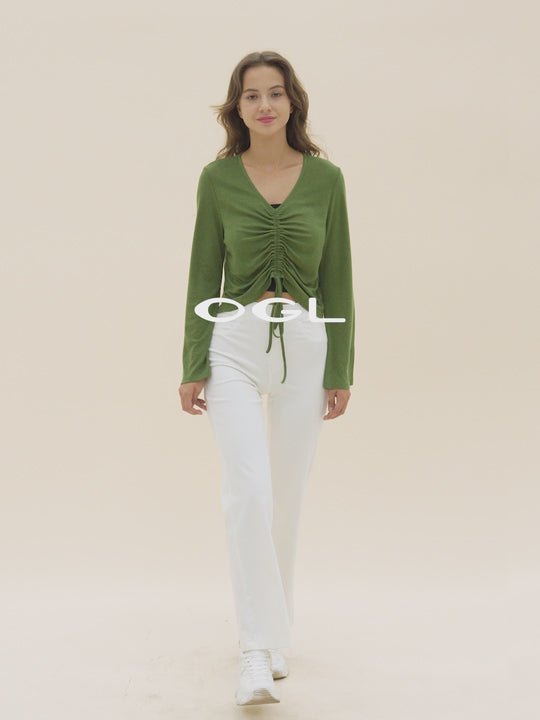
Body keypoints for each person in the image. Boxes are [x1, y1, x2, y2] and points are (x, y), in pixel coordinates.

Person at [178, 50, 355, 706]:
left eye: (275, 93)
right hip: (233, 344)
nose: (264, 105)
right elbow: (204, 273)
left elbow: (338, 276)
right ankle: (255, 648)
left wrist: (340, 367)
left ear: (293, 102)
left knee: (287, 497)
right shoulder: (217, 179)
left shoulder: (327, 179)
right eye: (251, 95)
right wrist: (193, 363)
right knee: (248, 491)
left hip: (305, 347)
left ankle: (276, 634)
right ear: (237, 107)